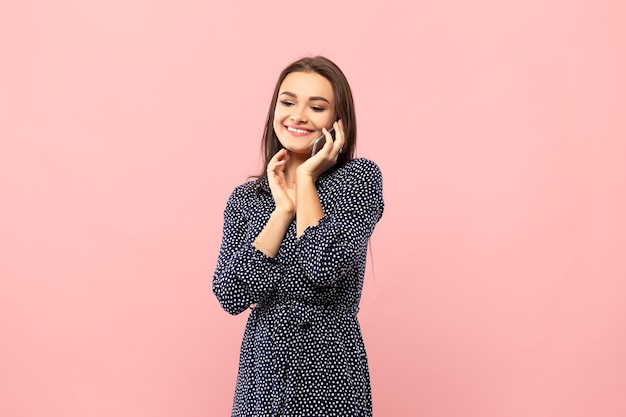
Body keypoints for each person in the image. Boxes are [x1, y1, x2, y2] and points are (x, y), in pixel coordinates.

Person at [212, 55, 384, 417]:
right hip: (262, 377)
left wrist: (305, 180)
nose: (298, 116)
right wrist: (282, 212)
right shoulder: (246, 200)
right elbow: (230, 295)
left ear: (338, 121)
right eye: (288, 102)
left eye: (316, 107)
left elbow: (322, 268)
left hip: (329, 373)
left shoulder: (358, 180)